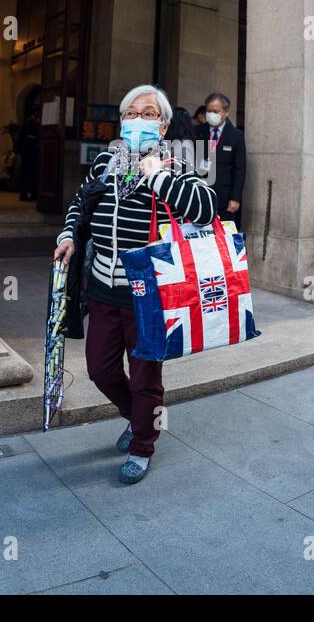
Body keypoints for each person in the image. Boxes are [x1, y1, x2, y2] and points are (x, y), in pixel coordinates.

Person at [53, 84, 217, 485]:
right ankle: (139, 419)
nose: (137, 120)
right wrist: (68, 235)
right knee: (100, 370)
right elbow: (80, 204)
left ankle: (143, 444)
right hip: (101, 288)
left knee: (145, 377)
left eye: (148, 114)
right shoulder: (105, 162)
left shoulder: (175, 166)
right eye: (131, 113)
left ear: (162, 127)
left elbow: (206, 208)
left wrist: (158, 177)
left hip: (149, 295)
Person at [197, 92, 246, 224]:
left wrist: (235, 198)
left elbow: (239, 169)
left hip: (224, 198)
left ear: (226, 112)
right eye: (208, 111)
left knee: (223, 237)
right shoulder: (198, 131)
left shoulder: (236, 135)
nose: (211, 114)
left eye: (215, 111)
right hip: (200, 195)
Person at [16, 111, 40, 202]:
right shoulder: (29, 125)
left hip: (28, 152)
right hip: (28, 152)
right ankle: (26, 194)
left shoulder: (29, 124)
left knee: (30, 174)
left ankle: (30, 194)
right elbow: (22, 139)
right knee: (27, 174)